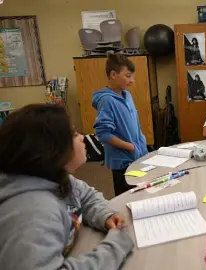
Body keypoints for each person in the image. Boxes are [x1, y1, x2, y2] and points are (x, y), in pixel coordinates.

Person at [0, 104, 133, 269]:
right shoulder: (33, 212)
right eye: (74, 134)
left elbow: (86, 196)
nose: (82, 137)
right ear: (50, 150)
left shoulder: (54, 177)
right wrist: (116, 246)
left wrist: (105, 215)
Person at [93, 54, 148, 196]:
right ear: (113, 75)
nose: (132, 80)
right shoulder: (106, 100)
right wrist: (130, 147)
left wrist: (141, 143)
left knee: (141, 194)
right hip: (122, 161)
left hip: (137, 155)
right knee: (127, 197)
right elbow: (103, 134)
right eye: (128, 76)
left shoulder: (127, 95)